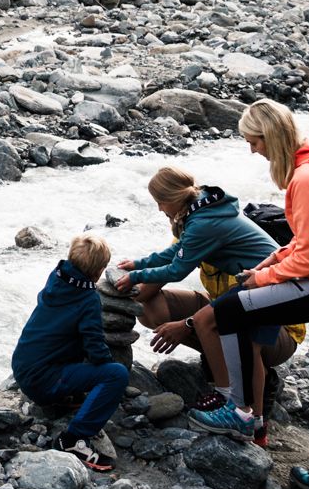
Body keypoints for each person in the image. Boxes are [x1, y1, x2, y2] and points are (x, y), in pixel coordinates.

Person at [183, 100, 309, 489]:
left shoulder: (305, 179)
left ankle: (239, 412)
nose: (252, 150)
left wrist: (262, 277)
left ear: (269, 137)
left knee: (230, 310)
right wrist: (277, 257)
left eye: (253, 141)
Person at [110, 166, 299, 435]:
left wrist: (136, 276)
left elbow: (177, 270)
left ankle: (234, 405)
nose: (160, 209)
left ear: (174, 197)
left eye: (160, 202)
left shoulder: (204, 222)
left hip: (270, 302)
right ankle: (237, 398)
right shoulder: (197, 213)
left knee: (228, 329)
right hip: (240, 297)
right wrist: (138, 265)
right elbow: (176, 252)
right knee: (203, 318)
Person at [10, 234, 130, 472]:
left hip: (23, 369)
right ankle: (73, 440)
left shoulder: (55, 278)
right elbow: (95, 348)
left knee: (67, 337)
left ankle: (69, 396)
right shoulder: (88, 300)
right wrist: (107, 377)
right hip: (43, 381)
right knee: (115, 374)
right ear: (98, 273)